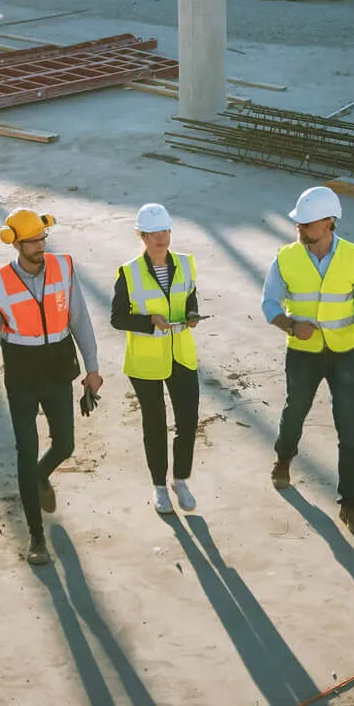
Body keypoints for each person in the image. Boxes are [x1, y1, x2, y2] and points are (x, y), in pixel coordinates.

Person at [0, 209, 102, 566]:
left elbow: (79, 318)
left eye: (42, 239)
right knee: (25, 451)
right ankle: (35, 536)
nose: (40, 247)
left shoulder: (63, 268)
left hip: (59, 369)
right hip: (22, 376)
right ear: (15, 243)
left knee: (65, 444)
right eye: (32, 241)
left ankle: (40, 477)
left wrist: (92, 368)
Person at [261, 185, 354, 536]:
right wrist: (289, 324)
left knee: (349, 427)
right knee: (294, 410)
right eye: (298, 223)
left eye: (307, 224)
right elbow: (269, 303)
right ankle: (284, 458)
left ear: (329, 222)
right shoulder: (285, 257)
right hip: (303, 353)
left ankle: (349, 503)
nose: (300, 229)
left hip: (344, 352)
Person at [111, 203, 202, 515]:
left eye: (165, 231)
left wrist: (191, 314)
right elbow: (117, 318)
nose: (161, 238)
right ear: (141, 235)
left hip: (181, 355)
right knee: (155, 424)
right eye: (153, 233)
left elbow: (189, 295)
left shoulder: (186, 263)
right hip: (146, 361)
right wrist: (149, 321)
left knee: (188, 420)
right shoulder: (129, 272)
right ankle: (160, 486)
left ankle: (180, 479)